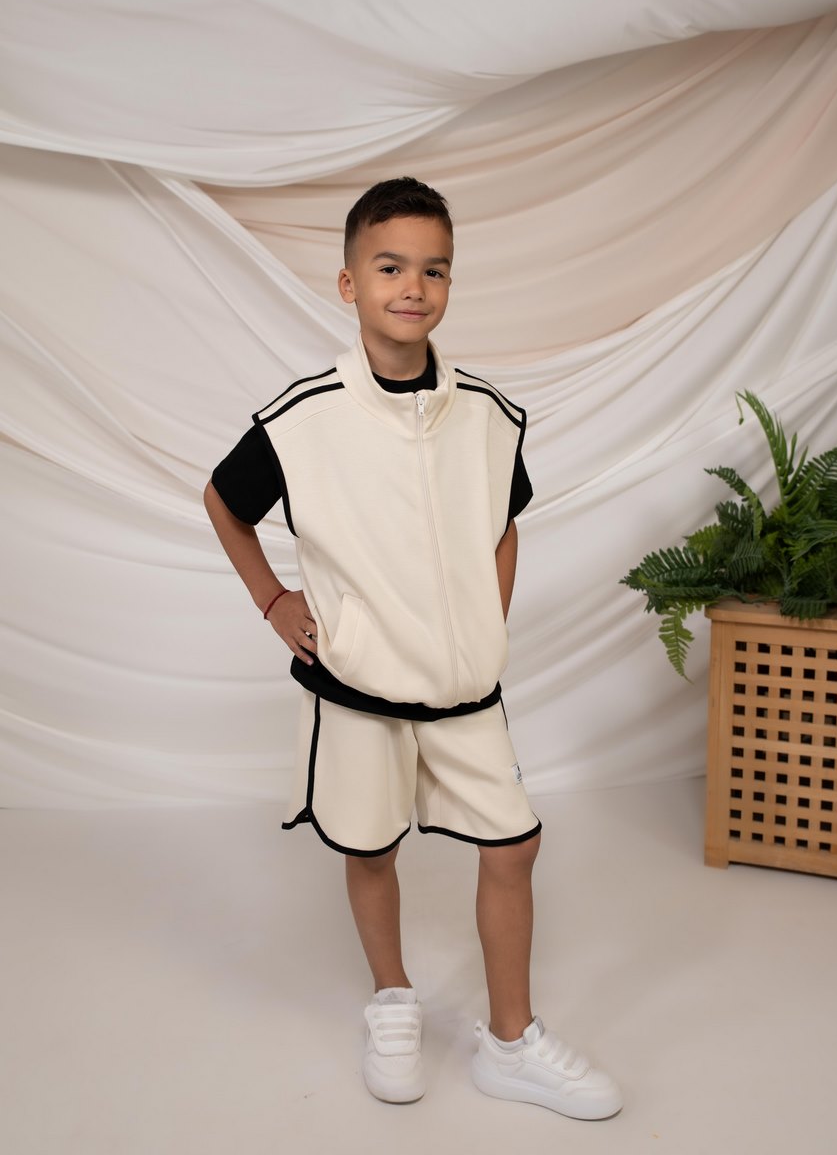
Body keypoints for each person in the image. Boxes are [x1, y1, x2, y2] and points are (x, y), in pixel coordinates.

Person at [203, 177, 622, 1119]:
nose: (413, 287)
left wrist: (486, 622)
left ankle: (509, 1041)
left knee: (514, 843)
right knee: (370, 845)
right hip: (356, 684)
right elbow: (224, 503)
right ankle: (392, 1000)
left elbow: (503, 522)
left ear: (449, 284)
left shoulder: (487, 415)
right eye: (390, 267)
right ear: (349, 282)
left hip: (465, 689)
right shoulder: (302, 418)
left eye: (434, 270)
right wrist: (273, 600)